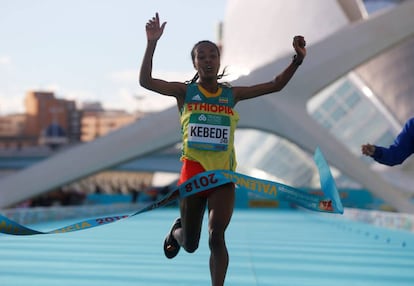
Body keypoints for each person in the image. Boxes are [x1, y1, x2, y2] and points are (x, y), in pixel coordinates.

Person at [139, 13, 306, 286]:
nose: (207, 60)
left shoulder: (231, 95)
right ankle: (177, 232)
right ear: (194, 63)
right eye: (201, 56)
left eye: (212, 55)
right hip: (193, 174)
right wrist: (152, 44)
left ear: (219, 60)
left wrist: (296, 60)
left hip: (223, 177)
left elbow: (275, 85)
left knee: (216, 236)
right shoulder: (185, 93)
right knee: (191, 244)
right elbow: (146, 82)